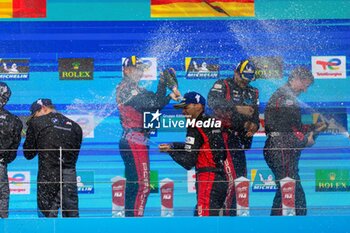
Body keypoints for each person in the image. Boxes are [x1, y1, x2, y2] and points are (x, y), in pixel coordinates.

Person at [116, 56, 180, 217]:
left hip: (136, 139)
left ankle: (131, 222)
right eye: (136, 69)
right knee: (143, 185)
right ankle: (136, 223)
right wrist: (167, 97)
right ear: (126, 70)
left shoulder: (137, 88)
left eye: (141, 69)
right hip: (133, 140)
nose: (139, 72)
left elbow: (155, 100)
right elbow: (153, 105)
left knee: (134, 185)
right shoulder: (125, 88)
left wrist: (163, 82)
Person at [263, 67, 327, 216]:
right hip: (279, 148)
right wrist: (306, 139)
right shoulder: (285, 97)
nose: (305, 90)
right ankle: (289, 225)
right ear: (297, 78)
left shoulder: (287, 97)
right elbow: (285, 128)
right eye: (306, 85)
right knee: (290, 190)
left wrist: (313, 127)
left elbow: (293, 126)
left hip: (281, 148)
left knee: (288, 189)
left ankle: (283, 225)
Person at [159, 92, 227, 216]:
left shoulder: (195, 126)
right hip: (221, 178)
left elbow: (188, 162)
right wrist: (174, 145)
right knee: (204, 218)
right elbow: (204, 147)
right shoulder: (212, 122)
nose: (183, 112)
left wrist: (170, 151)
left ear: (198, 106)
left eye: (186, 107)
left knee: (204, 223)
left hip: (207, 179)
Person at [207, 59, 259, 216]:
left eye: (249, 79)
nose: (245, 82)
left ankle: (234, 216)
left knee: (241, 180)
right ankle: (219, 218)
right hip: (220, 138)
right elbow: (212, 101)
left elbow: (255, 116)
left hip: (239, 141)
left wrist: (254, 126)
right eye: (243, 78)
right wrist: (237, 108)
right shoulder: (223, 84)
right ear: (236, 72)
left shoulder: (253, 92)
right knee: (229, 180)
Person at [23, 98, 83, 218]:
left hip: (48, 174)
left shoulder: (37, 123)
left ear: (43, 108)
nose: (35, 118)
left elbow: (28, 154)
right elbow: (73, 156)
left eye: (35, 115)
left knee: (47, 218)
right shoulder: (76, 127)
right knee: (71, 216)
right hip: (69, 176)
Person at [0, 82, 22, 218]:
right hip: (0, 163)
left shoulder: (14, 120)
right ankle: (2, 226)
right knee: (2, 195)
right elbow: (13, 149)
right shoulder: (13, 120)